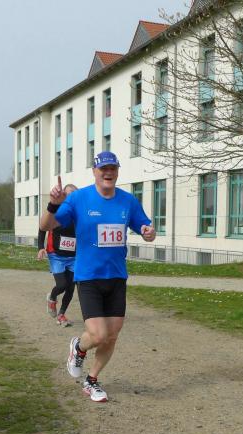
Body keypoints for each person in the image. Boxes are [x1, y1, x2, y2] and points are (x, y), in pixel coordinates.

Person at [40, 151, 156, 402]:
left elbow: (146, 228)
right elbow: (46, 225)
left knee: (111, 335)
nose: (108, 173)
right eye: (103, 169)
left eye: (113, 168)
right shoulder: (79, 198)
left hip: (116, 276)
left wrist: (149, 232)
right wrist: (53, 204)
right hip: (89, 277)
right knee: (98, 335)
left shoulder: (128, 201)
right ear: (94, 172)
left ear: (117, 172)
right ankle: (78, 347)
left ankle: (91, 380)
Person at [37, 183, 78, 327]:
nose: (71, 197)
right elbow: (42, 228)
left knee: (71, 287)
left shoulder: (79, 212)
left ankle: (61, 315)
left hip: (74, 257)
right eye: (68, 194)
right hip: (56, 255)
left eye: (74, 194)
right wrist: (40, 247)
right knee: (62, 285)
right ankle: (52, 297)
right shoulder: (57, 211)